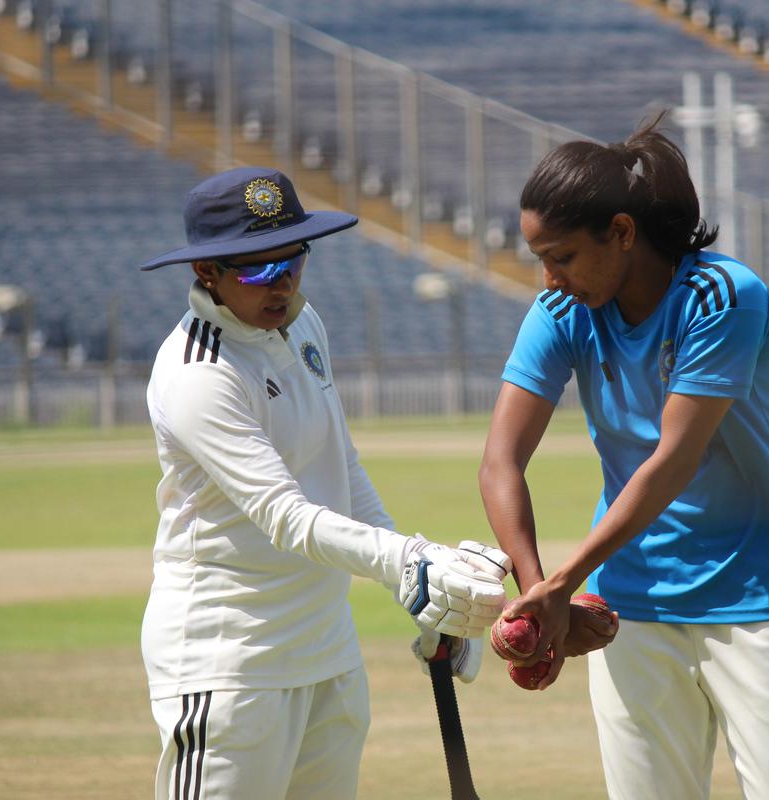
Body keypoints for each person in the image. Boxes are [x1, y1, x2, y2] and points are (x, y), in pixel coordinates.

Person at [478, 114, 769, 800]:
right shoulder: (561, 313)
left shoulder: (722, 297)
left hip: (757, 602)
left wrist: (565, 579)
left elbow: (673, 462)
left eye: (562, 257)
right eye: (540, 262)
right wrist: (540, 598)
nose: (549, 279)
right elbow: (500, 462)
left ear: (621, 232)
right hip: (629, 615)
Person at [139, 166, 513, 800]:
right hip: (231, 658)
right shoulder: (198, 373)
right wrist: (410, 560)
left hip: (327, 649)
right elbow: (285, 515)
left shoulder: (303, 325)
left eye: (294, 260)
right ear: (207, 272)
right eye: (259, 270)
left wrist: (410, 581)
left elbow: (342, 467)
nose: (282, 283)